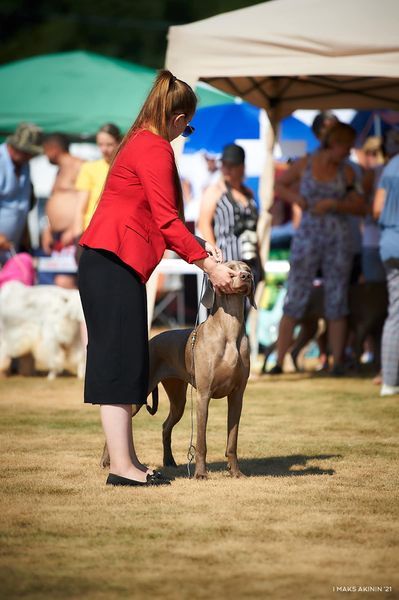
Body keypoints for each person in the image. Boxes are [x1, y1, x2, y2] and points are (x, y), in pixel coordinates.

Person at [78, 70, 235, 488]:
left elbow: (158, 222)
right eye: (189, 127)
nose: (185, 133)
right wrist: (209, 264)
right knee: (117, 365)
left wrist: (197, 243)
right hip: (112, 264)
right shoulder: (154, 148)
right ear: (179, 119)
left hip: (110, 262)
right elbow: (167, 221)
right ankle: (122, 469)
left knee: (125, 363)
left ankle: (126, 463)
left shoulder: (139, 142)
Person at [269, 123, 365, 375]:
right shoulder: (305, 163)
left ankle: (337, 363)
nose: (349, 152)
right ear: (334, 144)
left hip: (338, 241)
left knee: (337, 299)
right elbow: (279, 186)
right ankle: (278, 361)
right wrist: (297, 199)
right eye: (346, 147)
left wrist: (334, 204)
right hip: (308, 239)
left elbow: (360, 206)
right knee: (295, 296)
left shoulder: (347, 172)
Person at [198, 143, 262, 287]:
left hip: (250, 264)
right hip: (227, 265)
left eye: (232, 165)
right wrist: (216, 260)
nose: (227, 170)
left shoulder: (248, 193)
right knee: (226, 309)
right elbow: (203, 223)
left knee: (249, 308)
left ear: (242, 167)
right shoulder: (214, 191)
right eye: (224, 165)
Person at [373, 129, 399, 396]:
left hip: (389, 243)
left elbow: (377, 209)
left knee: (395, 313)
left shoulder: (390, 166)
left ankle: (389, 381)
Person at [64, 123, 122, 243]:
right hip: (91, 234)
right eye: (100, 144)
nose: (104, 149)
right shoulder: (89, 168)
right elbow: (80, 209)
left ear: (119, 142)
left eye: (109, 144)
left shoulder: (126, 168)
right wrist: (78, 238)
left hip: (117, 234)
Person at [41, 133, 84, 288]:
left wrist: (74, 228)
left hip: (73, 235)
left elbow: (89, 198)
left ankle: (80, 312)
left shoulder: (79, 165)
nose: (44, 155)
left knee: (64, 281)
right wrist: (47, 229)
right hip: (57, 237)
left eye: (44, 150)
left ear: (53, 149)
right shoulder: (59, 171)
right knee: (56, 282)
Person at [0, 123, 42, 264]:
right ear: (15, 147)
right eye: (27, 152)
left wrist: (25, 235)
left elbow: (22, 205)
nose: (30, 156)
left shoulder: (24, 165)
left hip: (11, 250)